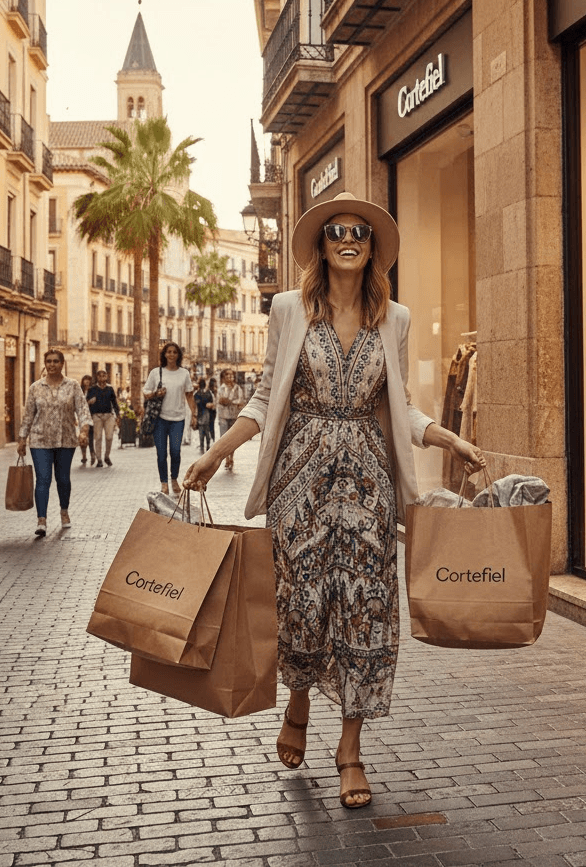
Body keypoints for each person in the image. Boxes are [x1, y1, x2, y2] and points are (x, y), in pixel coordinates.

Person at [184, 190, 485, 809]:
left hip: (369, 483)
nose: (349, 239)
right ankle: (297, 702)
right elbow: (267, 396)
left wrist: (447, 436)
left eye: (361, 233)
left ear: (373, 249)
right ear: (320, 246)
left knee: (367, 608)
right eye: (336, 231)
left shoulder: (394, 319)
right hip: (301, 479)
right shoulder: (289, 309)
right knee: (300, 603)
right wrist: (217, 452)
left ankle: (350, 748)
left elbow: (398, 406)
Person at [17, 349, 92, 537]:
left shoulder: (73, 386)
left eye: (56, 361)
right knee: (43, 479)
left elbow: (83, 410)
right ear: (45, 364)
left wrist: (84, 430)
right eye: (48, 361)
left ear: (62, 364)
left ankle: (64, 511)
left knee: (63, 479)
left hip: (66, 440)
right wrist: (22, 439)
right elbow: (28, 415)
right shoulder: (36, 387)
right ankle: (41, 520)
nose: (52, 365)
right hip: (39, 440)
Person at [143, 342, 198, 496]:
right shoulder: (156, 372)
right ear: (164, 354)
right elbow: (146, 392)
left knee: (175, 451)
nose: (171, 355)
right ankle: (164, 483)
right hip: (159, 418)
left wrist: (194, 415)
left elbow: (189, 395)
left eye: (174, 352)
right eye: (169, 352)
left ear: (178, 355)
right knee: (161, 453)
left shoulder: (184, 373)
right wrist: (156, 393)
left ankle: (174, 478)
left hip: (178, 418)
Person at [86, 369, 121, 467]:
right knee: (98, 438)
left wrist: (118, 415)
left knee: (109, 437)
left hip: (108, 415)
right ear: (97, 377)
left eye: (104, 375)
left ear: (107, 377)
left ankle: (107, 456)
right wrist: (90, 402)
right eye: (100, 376)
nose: (102, 377)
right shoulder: (92, 389)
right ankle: (99, 459)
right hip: (97, 416)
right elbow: (85, 403)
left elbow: (114, 403)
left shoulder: (110, 389)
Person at [216, 368, 243, 470]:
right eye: (227, 375)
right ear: (223, 377)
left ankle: (231, 457)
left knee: (232, 439)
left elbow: (240, 401)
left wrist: (229, 402)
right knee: (224, 438)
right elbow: (220, 400)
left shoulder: (238, 388)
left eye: (231, 375)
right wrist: (231, 401)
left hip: (233, 416)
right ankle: (226, 458)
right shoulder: (221, 388)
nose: (229, 377)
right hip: (223, 416)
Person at [78, 374, 96, 466]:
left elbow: (95, 402)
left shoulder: (93, 391)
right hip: (82, 416)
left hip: (91, 416)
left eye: (88, 380)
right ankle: (84, 455)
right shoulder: (80, 391)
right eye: (85, 380)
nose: (87, 382)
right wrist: (88, 402)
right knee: (82, 436)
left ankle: (92, 454)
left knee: (91, 437)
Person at [194, 378, 215, 453]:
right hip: (208, 415)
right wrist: (208, 405)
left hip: (200, 415)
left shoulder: (197, 393)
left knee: (201, 433)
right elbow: (212, 402)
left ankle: (202, 447)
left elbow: (197, 403)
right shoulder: (208, 393)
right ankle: (207, 446)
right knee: (207, 432)